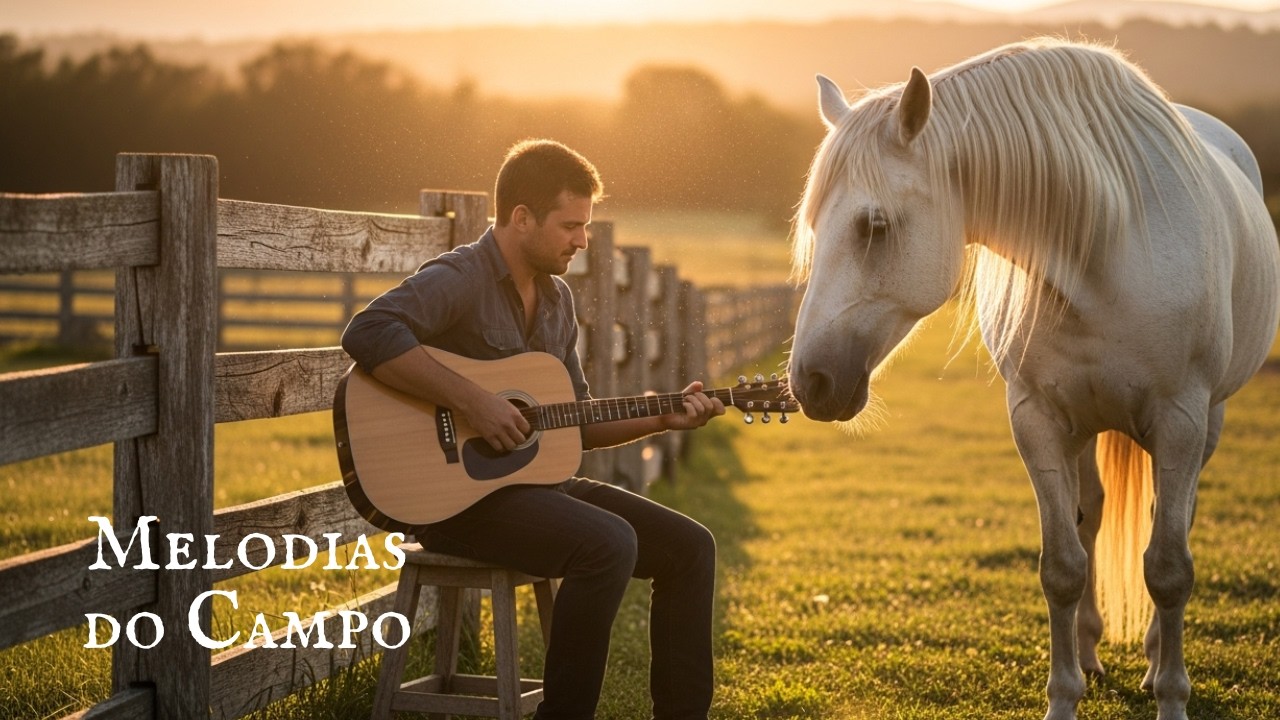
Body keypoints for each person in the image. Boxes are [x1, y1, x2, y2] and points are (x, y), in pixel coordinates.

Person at [340, 139, 723, 720]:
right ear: (521, 218)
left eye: (586, 227)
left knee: (691, 547)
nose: (582, 241)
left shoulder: (556, 300)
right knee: (608, 542)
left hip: (536, 490)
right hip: (455, 503)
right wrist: (474, 403)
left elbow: (579, 425)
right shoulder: (461, 277)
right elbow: (369, 332)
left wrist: (663, 418)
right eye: (571, 225)